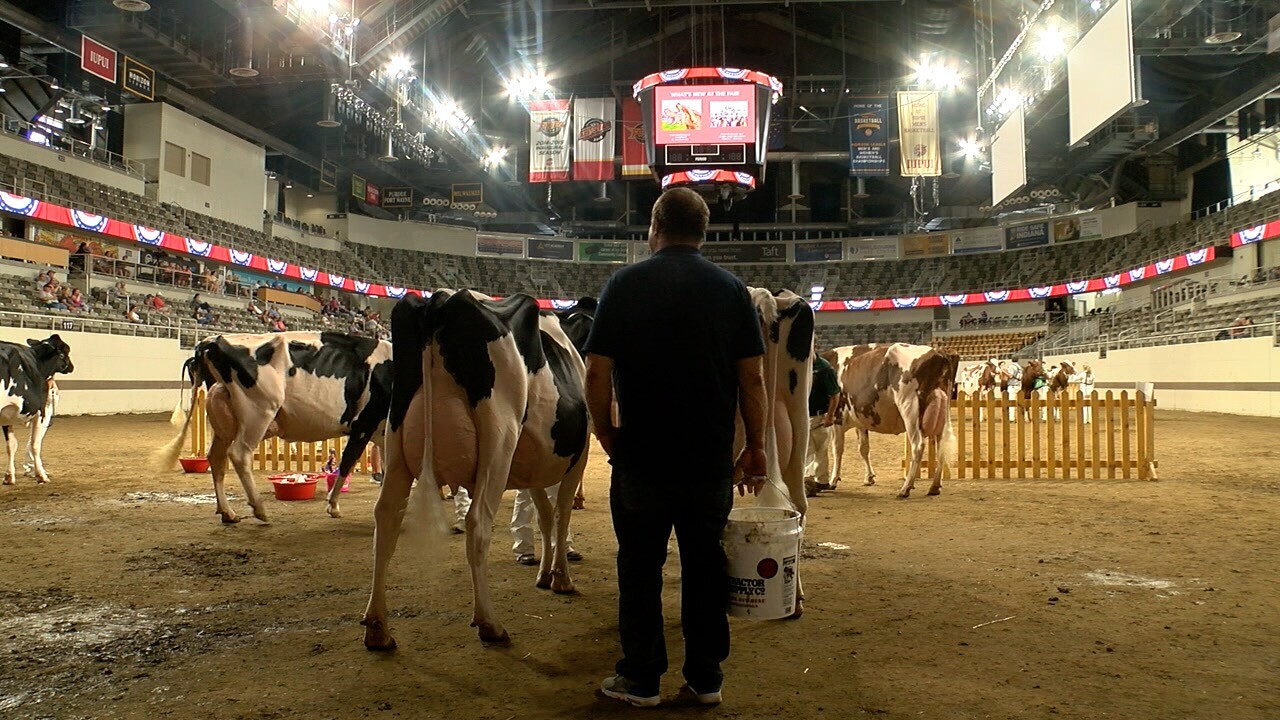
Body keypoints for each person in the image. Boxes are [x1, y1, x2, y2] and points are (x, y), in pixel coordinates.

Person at [583, 187, 768, 708]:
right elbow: (751, 380)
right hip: (709, 462)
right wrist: (754, 447)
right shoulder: (732, 291)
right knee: (705, 566)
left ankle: (641, 679)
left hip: (641, 458)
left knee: (639, 567)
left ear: (654, 226)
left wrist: (606, 432)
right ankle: (705, 678)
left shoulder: (623, 285)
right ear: (702, 233)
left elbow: (597, 370)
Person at [804, 352, 842, 495]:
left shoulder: (824, 368)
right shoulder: (804, 366)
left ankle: (809, 482)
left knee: (813, 450)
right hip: (808, 414)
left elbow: (835, 394)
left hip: (819, 415)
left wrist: (830, 415)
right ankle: (821, 480)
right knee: (815, 449)